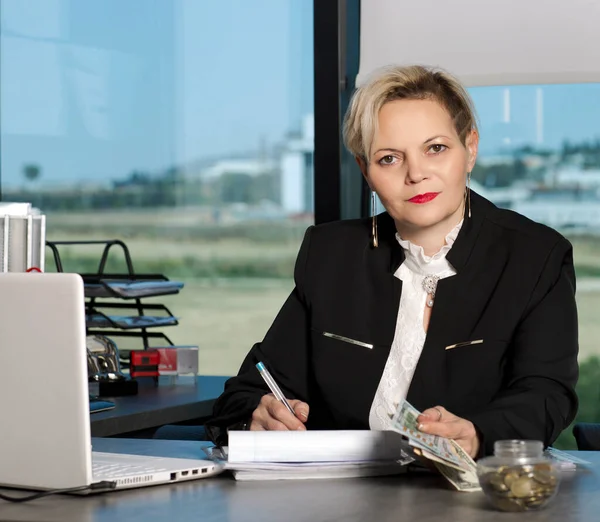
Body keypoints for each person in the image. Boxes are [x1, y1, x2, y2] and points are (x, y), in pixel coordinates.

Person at [208, 65, 578, 458]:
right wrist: (256, 414)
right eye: (388, 158)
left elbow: (547, 395)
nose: (416, 174)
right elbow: (248, 391)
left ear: (470, 148)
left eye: (435, 148)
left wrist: (478, 434)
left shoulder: (536, 256)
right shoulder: (331, 255)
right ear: (364, 170)